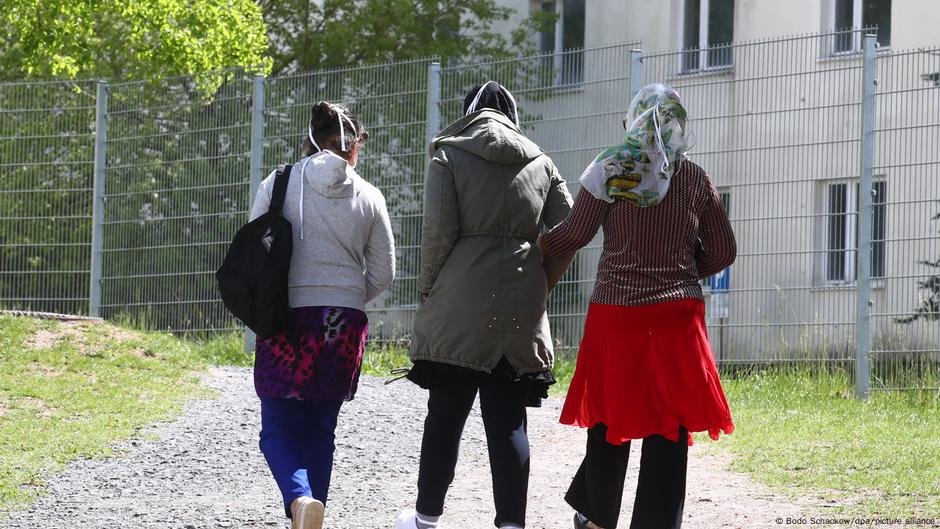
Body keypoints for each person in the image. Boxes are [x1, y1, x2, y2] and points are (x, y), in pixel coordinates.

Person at [537, 83, 736, 529]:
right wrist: (681, 272)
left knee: (610, 416)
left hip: (618, 314)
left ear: (634, 120)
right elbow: (723, 251)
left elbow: (575, 235)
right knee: (670, 424)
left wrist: (536, 246)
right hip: (676, 317)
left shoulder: (612, 167)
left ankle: (595, 516)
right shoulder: (695, 177)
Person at [395, 81, 574, 529]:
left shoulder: (449, 153)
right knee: (509, 422)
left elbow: (437, 233)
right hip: (519, 308)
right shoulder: (541, 161)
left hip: (456, 305)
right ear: (513, 115)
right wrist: (543, 279)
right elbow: (571, 228)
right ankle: (511, 524)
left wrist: (430, 290)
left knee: (445, 417)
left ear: (468, 112)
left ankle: (425, 520)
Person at [249, 101, 395, 529]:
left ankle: (299, 502)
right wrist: (347, 295)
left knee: (277, 426)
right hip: (343, 322)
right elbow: (384, 272)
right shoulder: (370, 195)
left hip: (286, 316)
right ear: (355, 146)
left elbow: (256, 250)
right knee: (320, 430)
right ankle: (314, 512)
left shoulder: (277, 184)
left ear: (310, 137)